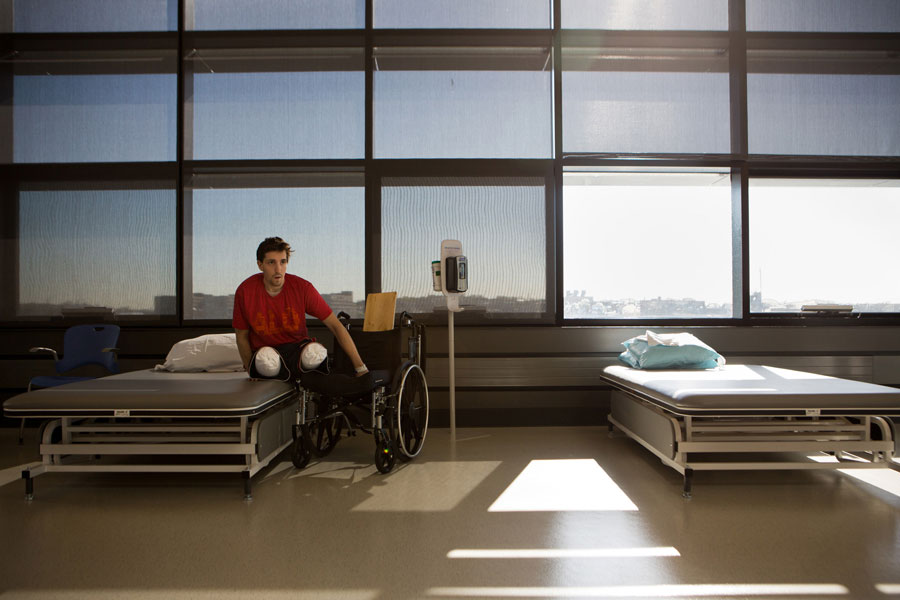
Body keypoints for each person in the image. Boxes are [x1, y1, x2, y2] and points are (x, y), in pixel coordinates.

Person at [233, 236, 368, 380]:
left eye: (283, 262)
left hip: (296, 350)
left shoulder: (302, 288)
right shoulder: (245, 291)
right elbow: (241, 336)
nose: (278, 269)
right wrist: (250, 371)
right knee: (266, 359)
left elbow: (335, 326)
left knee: (316, 352)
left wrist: (360, 367)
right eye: (271, 262)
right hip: (267, 353)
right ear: (260, 265)